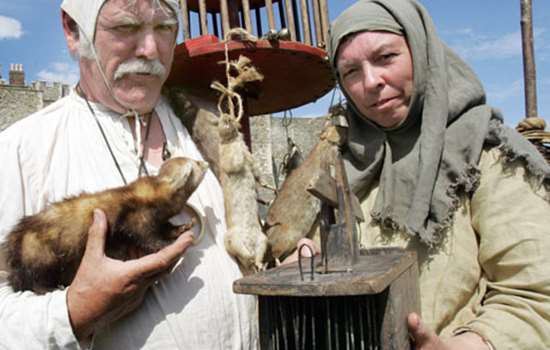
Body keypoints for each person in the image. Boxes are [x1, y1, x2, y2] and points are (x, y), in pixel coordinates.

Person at [0, 0, 258, 348]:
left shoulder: (210, 126)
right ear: (73, 31)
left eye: (165, 28)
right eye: (125, 28)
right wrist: (75, 311)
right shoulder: (19, 152)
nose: (151, 49)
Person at [328, 0, 550, 349]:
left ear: (422, 51)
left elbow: (536, 298)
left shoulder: (488, 155)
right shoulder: (342, 167)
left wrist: (465, 346)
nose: (371, 82)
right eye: (350, 71)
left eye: (386, 57)